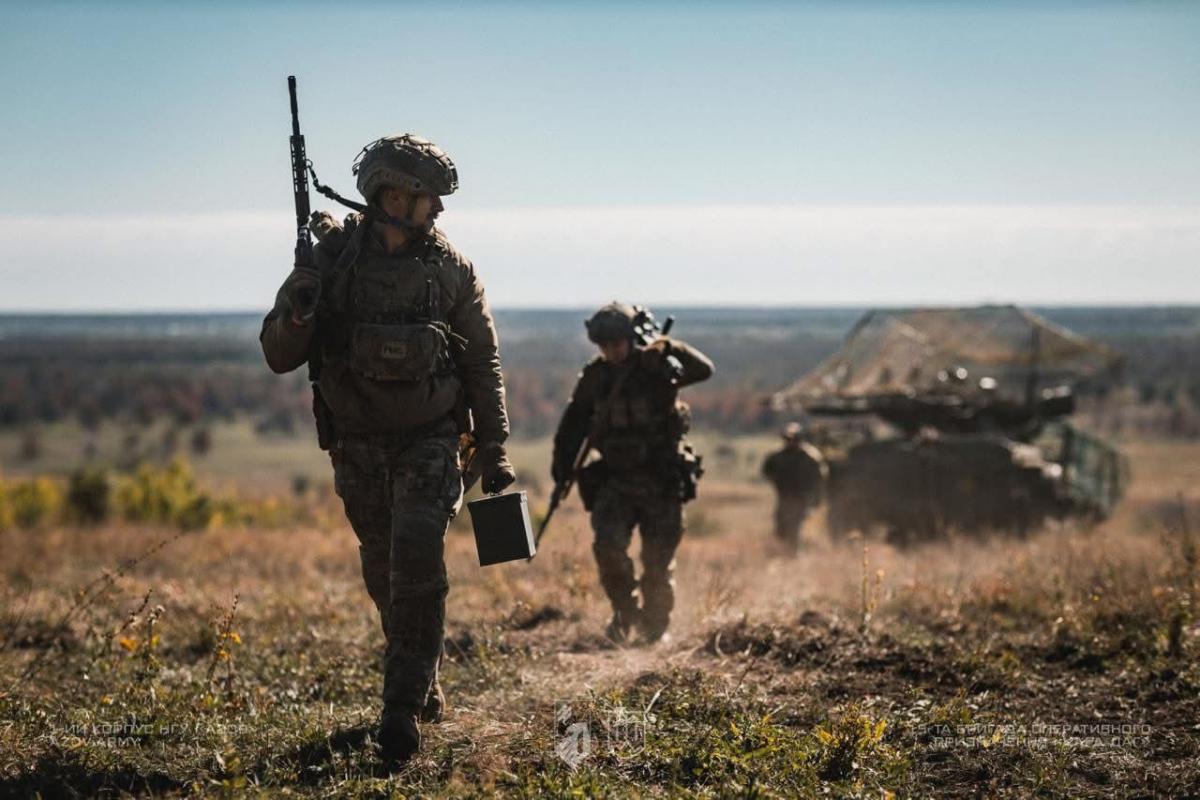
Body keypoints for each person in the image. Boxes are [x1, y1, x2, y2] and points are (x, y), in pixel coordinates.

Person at [259, 134, 515, 764]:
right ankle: (422, 679)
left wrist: (495, 444)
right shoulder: (331, 261)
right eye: (429, 197)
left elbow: (482, 362)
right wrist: (298, 313)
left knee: (418, 561)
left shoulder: (452, 269)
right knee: (383, 570)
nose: (439, 209)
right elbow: (278, 356)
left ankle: (399, 709)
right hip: (357, 444)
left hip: (433, 438)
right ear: (393, 198)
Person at [551, 302, 713, 644]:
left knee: (657, 564)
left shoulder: (657, 365)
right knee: (608, 550)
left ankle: (654, 629)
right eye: (604, 346)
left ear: (630, 339)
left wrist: (669, 348)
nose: (612, 351)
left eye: (617, 343)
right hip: (616, 481)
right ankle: (625, 613)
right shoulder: (596, 376)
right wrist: (561, 470)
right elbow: (574, 423)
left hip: (661, 481)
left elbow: (703, 370)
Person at [761, 422, 827, 550]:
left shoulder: (810, 457)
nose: (791, 442)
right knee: (781, 528)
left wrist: (816, 498)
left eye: (794, 439)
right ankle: (785, 550)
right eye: (788, 439)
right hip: (784, 497)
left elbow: (819, 479)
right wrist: (777, 481)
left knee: (795, 527)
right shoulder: (778, 456)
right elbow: (767, 470)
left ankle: (794, 552)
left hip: (801, 498)